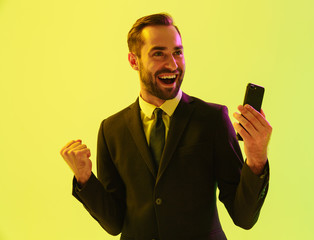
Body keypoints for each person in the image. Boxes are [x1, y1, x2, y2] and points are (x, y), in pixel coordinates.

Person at [60, 13, 272, 240]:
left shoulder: (212, 119)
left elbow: (244, 217)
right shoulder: (111, 129)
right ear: (134, 61)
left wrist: (256, 158)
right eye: (158, 53)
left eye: (177, 52)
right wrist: (85, 178)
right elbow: (114, 223)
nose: (172, 64)